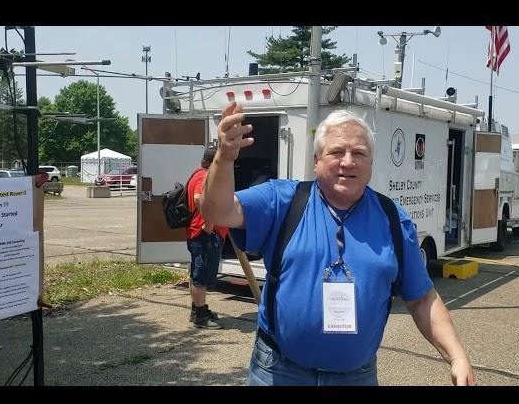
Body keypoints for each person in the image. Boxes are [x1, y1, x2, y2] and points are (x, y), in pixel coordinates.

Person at [198, 102, 476, 386]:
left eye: (359, 153)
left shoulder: (393, 220)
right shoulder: (283, 201)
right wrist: (225, 157)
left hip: (356, 377)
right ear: (316, 160)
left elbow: (422, 298)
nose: (348, 162)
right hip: (279, 372)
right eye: (336, 152)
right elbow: (216, 211)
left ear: (370, 163)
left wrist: (457, 357)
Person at [186, 147, 228, 329]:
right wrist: (209, 226)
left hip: (198, 233)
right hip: (204, 234)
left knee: (196, 272)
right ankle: (201, 316)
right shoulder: (204, 177)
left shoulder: (197, 174)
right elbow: (198, 198)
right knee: (200, 276)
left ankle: (197, 309)